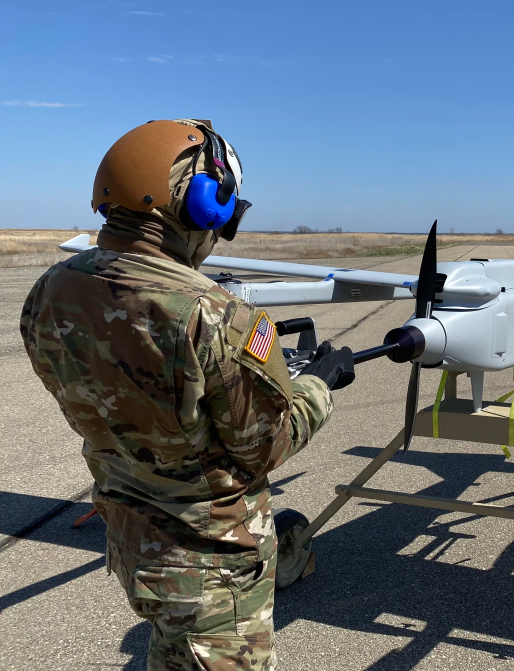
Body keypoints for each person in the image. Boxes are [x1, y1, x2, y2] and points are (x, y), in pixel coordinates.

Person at [20, 119, 354, 670]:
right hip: (211, 565)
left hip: (134, 541)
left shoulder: (52, 289)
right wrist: (320, 383)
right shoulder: (215, 315)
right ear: (202, 203)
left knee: (173, 655)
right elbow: (267, 444)